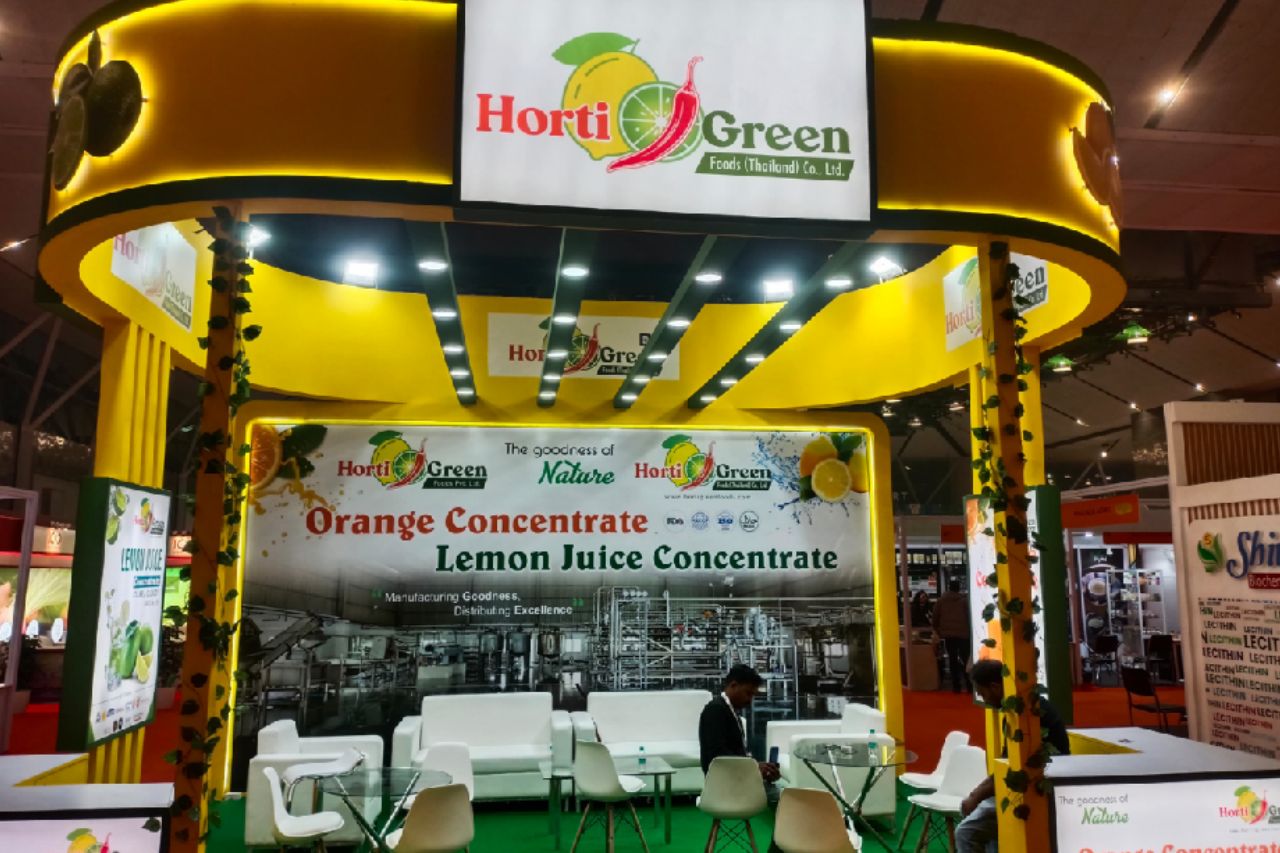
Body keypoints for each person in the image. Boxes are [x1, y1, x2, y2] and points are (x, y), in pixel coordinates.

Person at [955, 659, 1071, 853]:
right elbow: (1007, 764)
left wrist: (975, 797)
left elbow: (1014, 771)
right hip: (1029, 785)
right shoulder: (1021, 710)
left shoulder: (1025, 716)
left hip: (1036, 790)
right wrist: (976, 794)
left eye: (982, 692)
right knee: (984, 824)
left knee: (965, 833)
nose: (982, 698)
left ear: (995, 686)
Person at [700, 665, 783, 852]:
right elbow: (717, 757)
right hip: (728, 786)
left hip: (735, 781)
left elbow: (731, 754)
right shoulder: (715, 711)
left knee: (786, 801)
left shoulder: (727, 711)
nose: (750, 700)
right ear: (733, 685)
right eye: (748, 693)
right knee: (789, 804)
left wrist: (759, 769)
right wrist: (754, 768)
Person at [932, 578, 972, 692]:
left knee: (952, 659)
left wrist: (938, 630)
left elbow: (935, 617)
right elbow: (969, 616)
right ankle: (969, 684)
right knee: (965, 658)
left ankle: (956, 686)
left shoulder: (941, 601)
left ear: (949, 588)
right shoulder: (964, 601)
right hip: (964, 634)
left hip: (949, 635)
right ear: (958, 588)